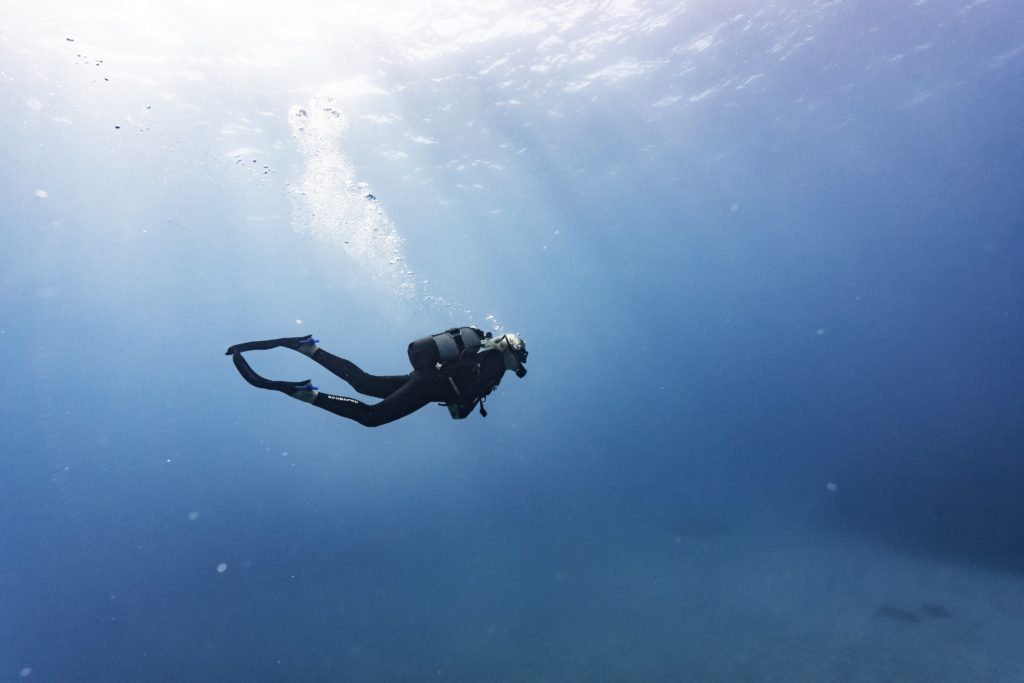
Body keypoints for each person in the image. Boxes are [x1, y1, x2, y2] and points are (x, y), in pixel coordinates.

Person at [226, 327, 528, 427]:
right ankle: (308, 393)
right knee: (371, 417)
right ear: (512, 355)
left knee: (364, 383)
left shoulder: (484, 353)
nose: (517, 367)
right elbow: (459, 406)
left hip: (426, 378)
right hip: (430, 386)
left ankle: (309, 349)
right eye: (519, 361)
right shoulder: (494, 368)